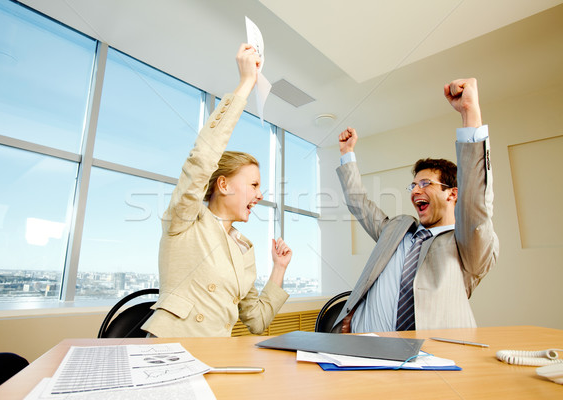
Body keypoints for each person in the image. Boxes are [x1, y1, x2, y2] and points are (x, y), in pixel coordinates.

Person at [142, 44, 292, 337]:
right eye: (254, 185)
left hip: (216, 359)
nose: (260, 195)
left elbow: (258, 322)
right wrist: (246, 84)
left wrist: (279, 268)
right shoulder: (185, 220)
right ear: (222, 184)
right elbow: (202, 160)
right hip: (169, 354)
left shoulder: (244, 250)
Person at [331, 78, 499, 333]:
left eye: (425, 183)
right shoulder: (396, 230)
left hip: (429, 361)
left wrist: (470, 115)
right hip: (360, 350)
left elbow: (475, 204)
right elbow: (359, 204)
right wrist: (347, 154)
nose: (415, 191)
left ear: (452, 194)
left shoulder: (468, 245)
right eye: (413, 185)